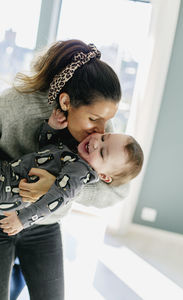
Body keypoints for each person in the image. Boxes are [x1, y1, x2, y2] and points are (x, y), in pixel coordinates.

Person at [0, 39, 131, 300]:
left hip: (44, 225)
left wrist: (60, 188)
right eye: (94, 119)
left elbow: (118, 191)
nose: (102, 131)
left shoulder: (101, 138)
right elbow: (46, 150)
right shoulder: (14, 105)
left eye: (107, 121)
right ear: (66, 101)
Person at [0, 109, 143, 234]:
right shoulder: (75, 153)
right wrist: (52, 128)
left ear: (103, 176)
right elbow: (44, 153)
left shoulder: (79, 172)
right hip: (8, 171)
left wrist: (22, 219)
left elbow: (54, 201)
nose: (95, 143)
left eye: (102, 153)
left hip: (8, 188)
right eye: (104, 138)